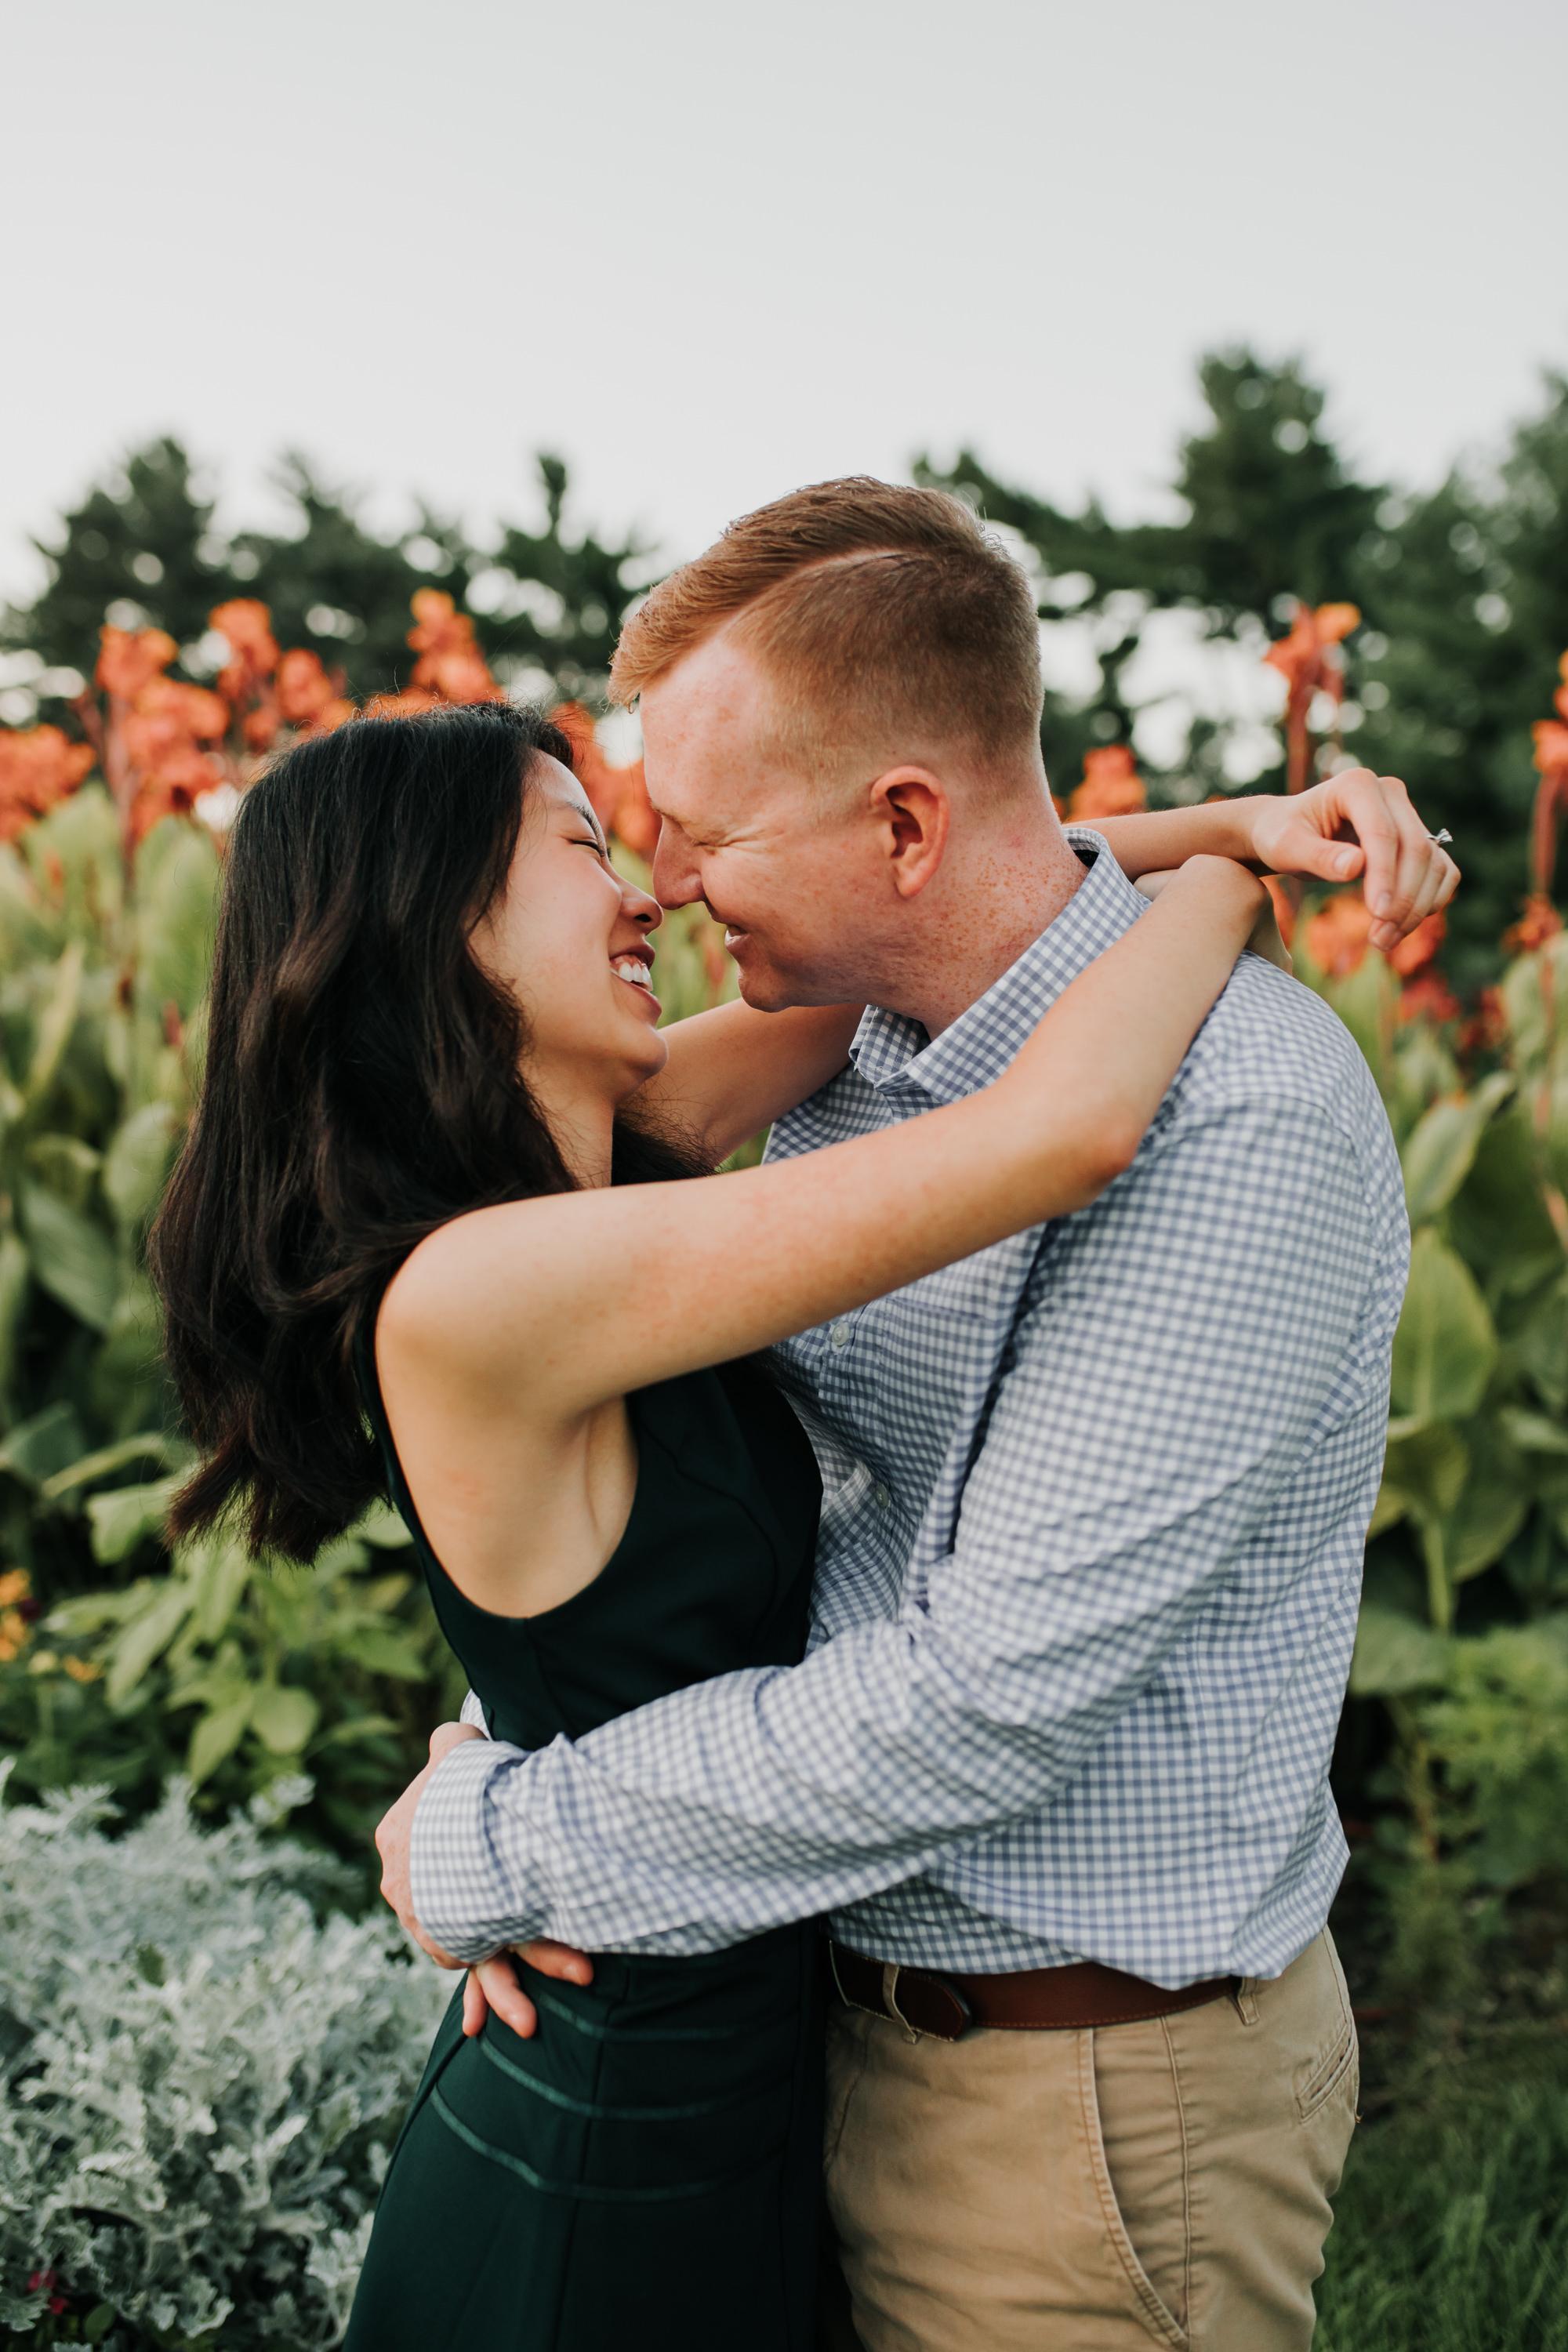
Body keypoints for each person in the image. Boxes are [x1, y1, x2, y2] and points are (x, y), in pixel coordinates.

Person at [372, 483, 1457, 2351]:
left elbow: (981, 1702)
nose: (670, 884)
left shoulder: (1236, 1117)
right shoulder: (840, 1054)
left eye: (703, 835)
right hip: (795, 2024)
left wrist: (512, 1838)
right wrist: (508, 1725)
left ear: (898, 823)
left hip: (1078, 2110)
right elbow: (727, 1525)